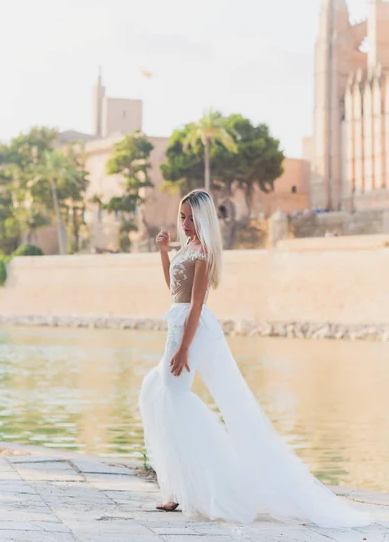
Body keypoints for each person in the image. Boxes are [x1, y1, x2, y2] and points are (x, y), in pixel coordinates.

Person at [139, 189, 372, 527]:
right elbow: (174, 290)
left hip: (190, 331)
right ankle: (177, 488)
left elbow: (195, 305)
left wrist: (184, 348)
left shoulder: (203, 253)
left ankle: (214, 486)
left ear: (204, 218)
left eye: (191, 217)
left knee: (173, 397)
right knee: (155, 392)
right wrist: (163, 252)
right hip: (176, 325)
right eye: (182, 217)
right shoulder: (185, 248)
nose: (185, 223)